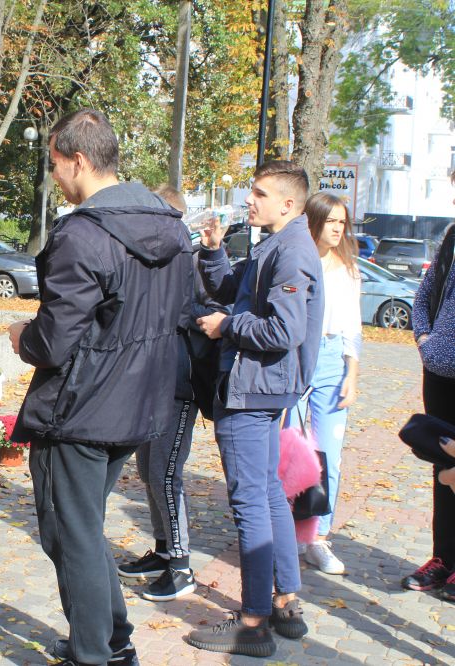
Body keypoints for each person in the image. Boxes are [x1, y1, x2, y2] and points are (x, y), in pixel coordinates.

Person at [9, 109, 192, 666]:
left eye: (56, 165)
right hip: (140, 403)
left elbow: (54, 339)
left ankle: (95, 653)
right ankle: (111, 639)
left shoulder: (82, 233)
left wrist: (22, 337)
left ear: (80, 160)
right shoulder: (171, 225)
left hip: (81, 408)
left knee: (70, 533)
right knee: (83, 530)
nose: (55, 177)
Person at [185, 160, 323, 658]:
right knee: (266, 495)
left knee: (250, 502)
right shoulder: (276, 244)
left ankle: (253, 621)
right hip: (260, 389)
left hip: (253, 390)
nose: (250, 200)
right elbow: (232, 290)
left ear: (288, 203)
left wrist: (226, 328)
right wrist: (214, 249)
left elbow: (284, 333)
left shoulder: (291, 253)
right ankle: (285, 602)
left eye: (260, 193)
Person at [117, 185, 214, 602]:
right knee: (148, 471)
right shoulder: (158, 259)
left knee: (165, 473)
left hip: (179, 386)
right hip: (151, 383)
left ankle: (180, 564)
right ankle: (161, 550)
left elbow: (200, 312)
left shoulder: (187, 263)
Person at [285, 192, 361, 574]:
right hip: (297, 356)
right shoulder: (298, 260)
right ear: (314, 221)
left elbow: (353, 324)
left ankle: (319, 537)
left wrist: (352, 372)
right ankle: (291, 531)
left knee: (329, 450)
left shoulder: (347, 267)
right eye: (331, 221)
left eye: (342, 222)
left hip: (331, 358)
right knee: (294, 450)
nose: (337, 229)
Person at [404, 173, 455, 600]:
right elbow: (424, 296)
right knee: (444, 469)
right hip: (439, 375)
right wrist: (425, 340)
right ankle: (444, 558)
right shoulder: (451, 236)